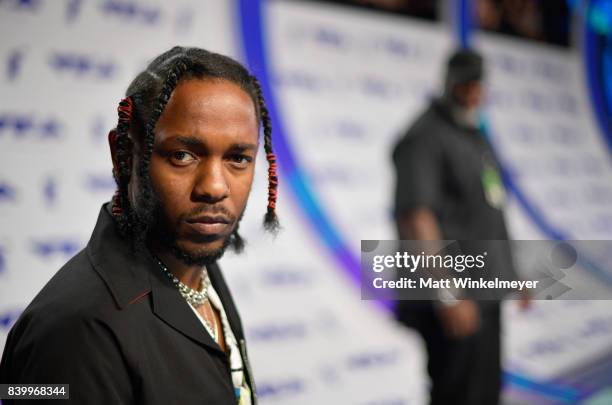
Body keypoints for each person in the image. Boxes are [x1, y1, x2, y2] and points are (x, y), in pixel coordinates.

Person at [0, 46, 279, 404]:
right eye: (182, 155)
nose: (214, 187)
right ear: (124, 155)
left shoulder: (197, 267)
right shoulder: (72, 331)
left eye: (238, 158)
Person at [391, 49, 525, 405]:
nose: (472, 90)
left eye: (477, 82)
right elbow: (416, 219)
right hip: (455, 298)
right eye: (465, 82)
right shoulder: (425, 136)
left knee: (484, 393)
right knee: (459, 394)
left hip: (483, 293)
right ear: (448, 82)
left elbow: (490, 207)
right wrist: (448, 294)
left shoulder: (474, 132)